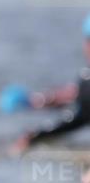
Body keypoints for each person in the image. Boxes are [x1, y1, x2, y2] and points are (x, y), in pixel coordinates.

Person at [13, 13, 90, 153]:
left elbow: (79, 116)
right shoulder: (85, 81)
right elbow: (80, 116)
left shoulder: (86, 82)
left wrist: (37, 135)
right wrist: (38, 135)